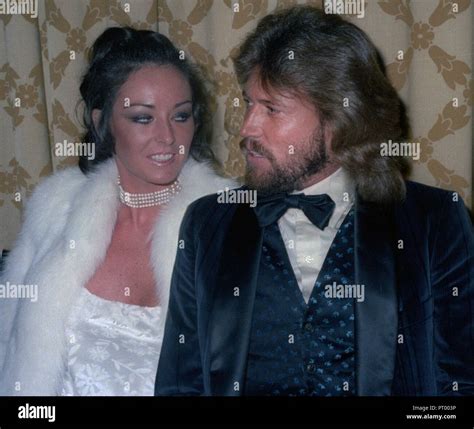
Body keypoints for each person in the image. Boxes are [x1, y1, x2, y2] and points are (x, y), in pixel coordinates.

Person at [155, 6, 474, 396]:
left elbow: (459, 384)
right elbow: (179, 384)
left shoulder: (432, 221)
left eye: (271, 109)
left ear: (339, 122)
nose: (247, 128)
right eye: (248, 103)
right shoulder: (208, 223)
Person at [0, 27, 235, 396]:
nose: (167, 138)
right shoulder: (55, 211)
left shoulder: (229, 225)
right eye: (143, 118)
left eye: (181, 116)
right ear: (102, 122)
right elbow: (10, 355)